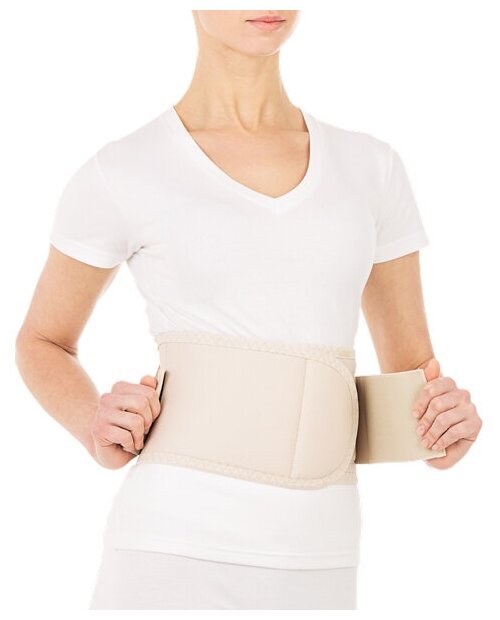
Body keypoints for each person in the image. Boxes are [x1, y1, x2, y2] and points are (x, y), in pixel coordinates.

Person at [15, 9, 482, 610]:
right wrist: (92, 424)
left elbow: (414, 380)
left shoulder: (372, 169)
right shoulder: (124, 170)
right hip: (171, 546)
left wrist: (444, 429)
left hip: (321, 556)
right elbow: (42, 340)